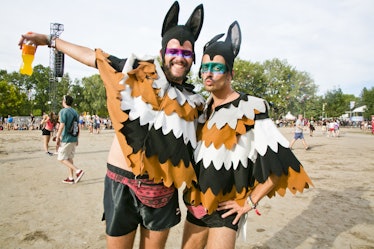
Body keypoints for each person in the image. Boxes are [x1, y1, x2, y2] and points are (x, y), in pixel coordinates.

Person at [19, 2, 205, 248]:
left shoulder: (195, 104)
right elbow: (94, 57)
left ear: (193, 58)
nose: (179, 58)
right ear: (162, 53)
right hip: (120, 182)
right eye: (174, 51)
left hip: (161, 189)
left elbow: (204, 151)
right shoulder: (134, 72)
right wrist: (50, 40)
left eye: (186, 53)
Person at [181, 21, 313, 249]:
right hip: (195, 206)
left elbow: (280, 164)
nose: (208, 73)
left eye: (217, 67)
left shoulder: (252, 109)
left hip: (225, 211)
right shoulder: (201, 109)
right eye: (205, 67)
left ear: (231, 72)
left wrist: (249, 202)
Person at [54, 95, 85, 184]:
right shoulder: (75, 112)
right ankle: (71, 177)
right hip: (73, 137)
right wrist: (77, 138)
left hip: (66, 137)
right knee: (69, 157)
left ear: (64, 101)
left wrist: (57, 136)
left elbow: (62, 125)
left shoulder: (63, 111)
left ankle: (78, 171)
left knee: (61, 158)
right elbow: (77, 125)